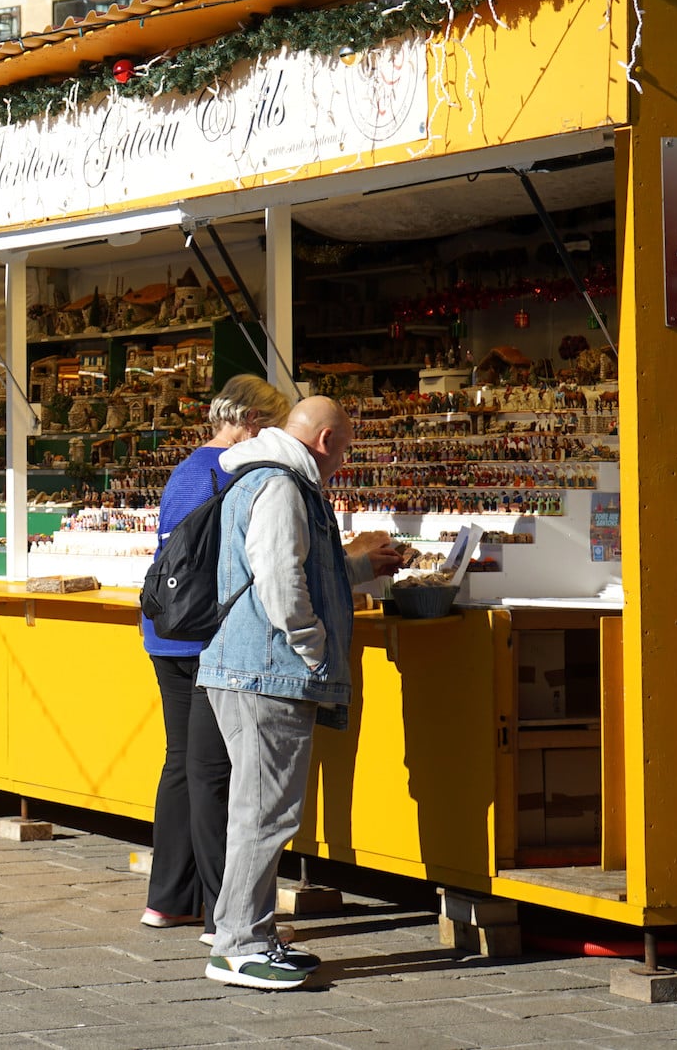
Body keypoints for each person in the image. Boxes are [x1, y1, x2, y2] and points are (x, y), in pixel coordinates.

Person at [199, 396, 403, 991]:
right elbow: (281, 579)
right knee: (264, 814)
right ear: (325, 440)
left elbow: (305, 567)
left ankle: (249, 934)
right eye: (344, 448)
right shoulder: (283, 487)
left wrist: (361, 571)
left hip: (251, 669)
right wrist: (312, 647)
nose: (342, 461)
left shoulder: (264, 479)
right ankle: (239, 945)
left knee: (259, 810)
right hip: (268, 671)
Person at [140, 376, 291, 940]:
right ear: (251, 422)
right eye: (274, 425)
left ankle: (167, 898)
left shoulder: (186, 469)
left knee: (181, 764)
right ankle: (217, 910)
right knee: (214, 773)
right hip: (209, 637)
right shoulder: (236, 472)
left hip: (166, 630)